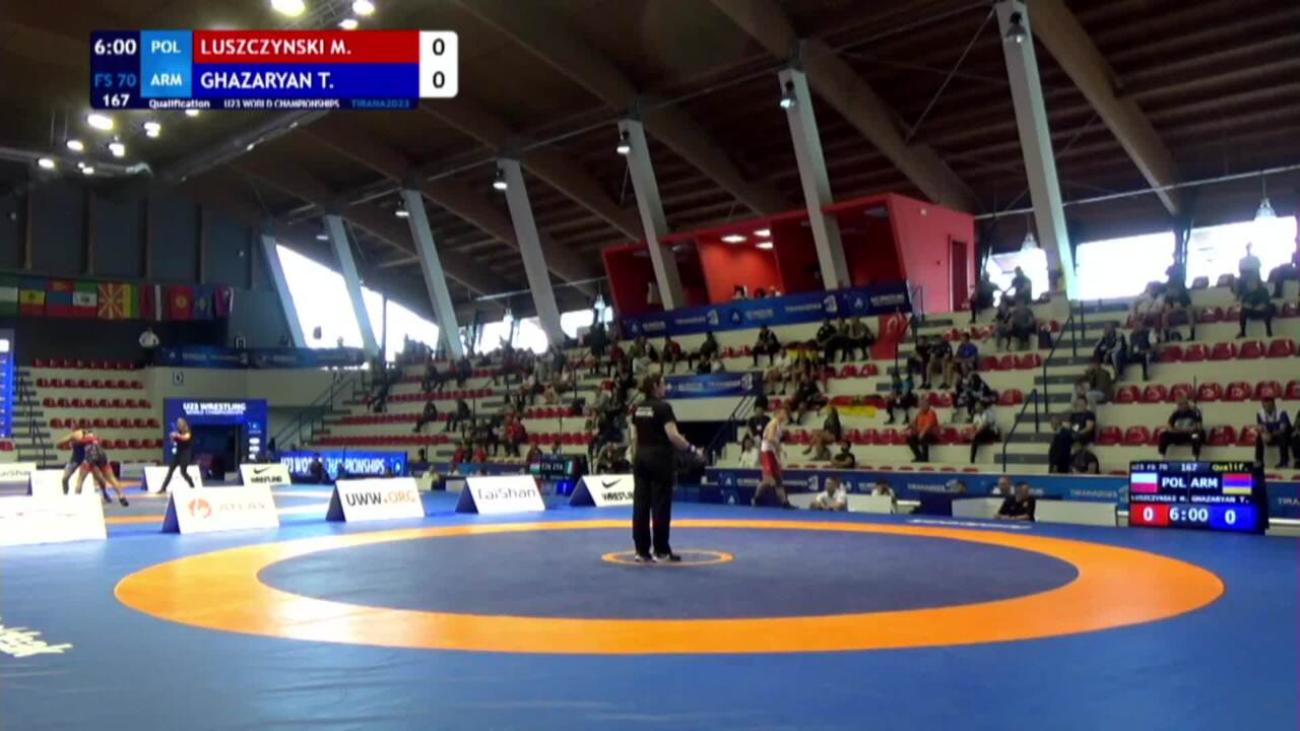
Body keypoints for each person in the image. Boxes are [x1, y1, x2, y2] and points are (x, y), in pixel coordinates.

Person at [629, 373, 700, 562]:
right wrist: (692, 449)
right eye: (663, 384)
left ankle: (641, 551)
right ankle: (661, 550)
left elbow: (635, 437)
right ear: (655, 386)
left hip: (640, 458)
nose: (665, 388)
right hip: (659, 460)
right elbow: (673, 436)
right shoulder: (663, 407)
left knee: (641, 505)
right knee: (660, 505)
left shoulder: (637, 408)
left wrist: (636, 457)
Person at [72, 434, 129, 506]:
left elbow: (77, 452)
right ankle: (122, 497)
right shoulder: (97, 438)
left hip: (89, 458)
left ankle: (76, 500)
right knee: (111, 478)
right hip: (102, 456)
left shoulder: (80, 440)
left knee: (80, 479)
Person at [753, 408, 793, 508]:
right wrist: (780, 448)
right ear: (778, 413)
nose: (786, 415)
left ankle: (785, 503)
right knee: (768, 481)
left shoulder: (778, 425)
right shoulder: (773, 423)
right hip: (767, 453)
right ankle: (756, 498)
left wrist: (778, 459)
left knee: (778, 480)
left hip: (772, 453)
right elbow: (770, 438)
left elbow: (774, 442)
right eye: (784, 413)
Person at [159, 417, 195, 492]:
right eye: (178, 423)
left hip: (185, 455)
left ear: (183, 424)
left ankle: (192, 484)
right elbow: (173, 442)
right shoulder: (178, 432)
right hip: (178, 454)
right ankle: (163, 488)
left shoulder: (188, 431)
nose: (178, 425)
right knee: (170, 471)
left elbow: (186, 438)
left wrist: (177, 435)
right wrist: (172, 437)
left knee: (183, 472)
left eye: (180, 423)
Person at [1256, 397, 1293, 468]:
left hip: (1284, 437)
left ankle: (1284, 462)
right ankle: (1259, 461)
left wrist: (1271, 435)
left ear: (1273, 404)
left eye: (1269, 405)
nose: (1267, 407)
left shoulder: (1281, 413)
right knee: (1258, 438)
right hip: (1271, 436)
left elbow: (1282, 429)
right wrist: (1264, 434)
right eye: (1265, 405)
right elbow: (1261, 428)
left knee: (1283, 436)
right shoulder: (1260, 414)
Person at [55, 426, 91, 494]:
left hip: (82, 459)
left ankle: (68, 495)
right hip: (80, 459)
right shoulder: (87, 435)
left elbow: (59, 443)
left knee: (68, 479)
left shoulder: (74, 434)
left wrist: (61, 446)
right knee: (75, 480)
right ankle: (70, 495)